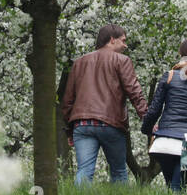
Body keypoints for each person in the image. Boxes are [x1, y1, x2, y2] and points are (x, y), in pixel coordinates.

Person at [61, 24, 149, 184]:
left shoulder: (79, 62)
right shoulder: (122, 61)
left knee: (84, 171)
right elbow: (134, 91)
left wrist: (69, 130)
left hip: (82, 124)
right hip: (111, 123)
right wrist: (147, 118)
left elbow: (67, 100)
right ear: (112, 40)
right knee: (118, 171)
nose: (125, 45)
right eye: (123, 41)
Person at [140, 38, 187, 193]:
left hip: (165, 138)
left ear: (180, 53)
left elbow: (154, 109)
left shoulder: (169, 76)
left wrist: (147, 129)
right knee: (177, 187)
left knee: (172, 187)